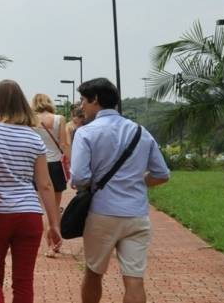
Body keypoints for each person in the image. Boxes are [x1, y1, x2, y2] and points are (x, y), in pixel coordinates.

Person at [70, 78, 170, 303]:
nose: (81, 106)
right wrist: (139, 181)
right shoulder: (140, 132)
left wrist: (92, 184)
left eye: (84, 100)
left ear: (95, 100)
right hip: (137, 214)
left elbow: (79, 177)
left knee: (94, 272)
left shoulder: (86, 133)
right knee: (135, 279)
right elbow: (162, 174)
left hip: (102, 213)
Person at [0, 80, 62, 303]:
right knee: (24, 281)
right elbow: (45, 185)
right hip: (29, 215)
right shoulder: (34, 138)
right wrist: (54, 224)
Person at [31, 93, 70, 212]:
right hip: (56, 164)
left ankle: (42, 229)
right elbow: (63, 144)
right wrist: (71, 161)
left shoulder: (31, 120)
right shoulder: (59, 119)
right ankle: (54, 228)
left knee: (41, 205)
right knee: (55, 205)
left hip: (37, 164)